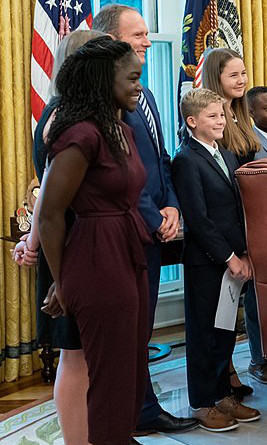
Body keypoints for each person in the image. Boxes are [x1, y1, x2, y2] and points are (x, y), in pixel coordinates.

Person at [37, 36, 151, 445]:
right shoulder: (80, 134)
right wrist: (61, 281)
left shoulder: (121, 128)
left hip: (126, 249)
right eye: (133, 78)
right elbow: (50, 214)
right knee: (111, 383)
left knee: (132, 376)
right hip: (96, 256)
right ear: (105, 79)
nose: (140, 85)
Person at [92, 5, 199, 435]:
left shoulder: (146, 94)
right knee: (130, 333)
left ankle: (143, 407)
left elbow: (158, 159)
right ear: (111, 42)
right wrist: (155, 217)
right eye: (138, 34)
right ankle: (135, 413)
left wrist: (172, 205)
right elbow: (119, 173)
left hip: (157, 225)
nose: (148, 41)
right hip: (130, 231)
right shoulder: (107, 100)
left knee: (144, 326)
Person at [12, 29, 103, 445]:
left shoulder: (73, 113)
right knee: (76, 356)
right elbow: (50, 198)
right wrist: (39, 251)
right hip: (67, 252)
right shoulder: (62, 119)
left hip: (76, 249)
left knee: (86, 356)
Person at [172, 88, 262, 432]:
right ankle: (202, 403)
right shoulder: (186, 160)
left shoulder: (225, 154)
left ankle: (223, 394)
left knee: (225, 332)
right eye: (213, 116)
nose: (221, 120)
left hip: (235, 259)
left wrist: (245, 252)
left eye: (222, 114)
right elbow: (199, 218)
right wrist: (228, 257)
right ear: (192, 121)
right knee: (203, 334)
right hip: (206, 262)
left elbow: (236, 211)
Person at [201, 49, 267, 388]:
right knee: (224, 304)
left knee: (254, 294)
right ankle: (224, 372)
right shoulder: (211, 115)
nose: (241, 81)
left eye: (243, 74)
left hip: (251, 219)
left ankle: (255, 358)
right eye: (233, 75)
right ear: (217, 79)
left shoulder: (240, 117)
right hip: (225, 224)